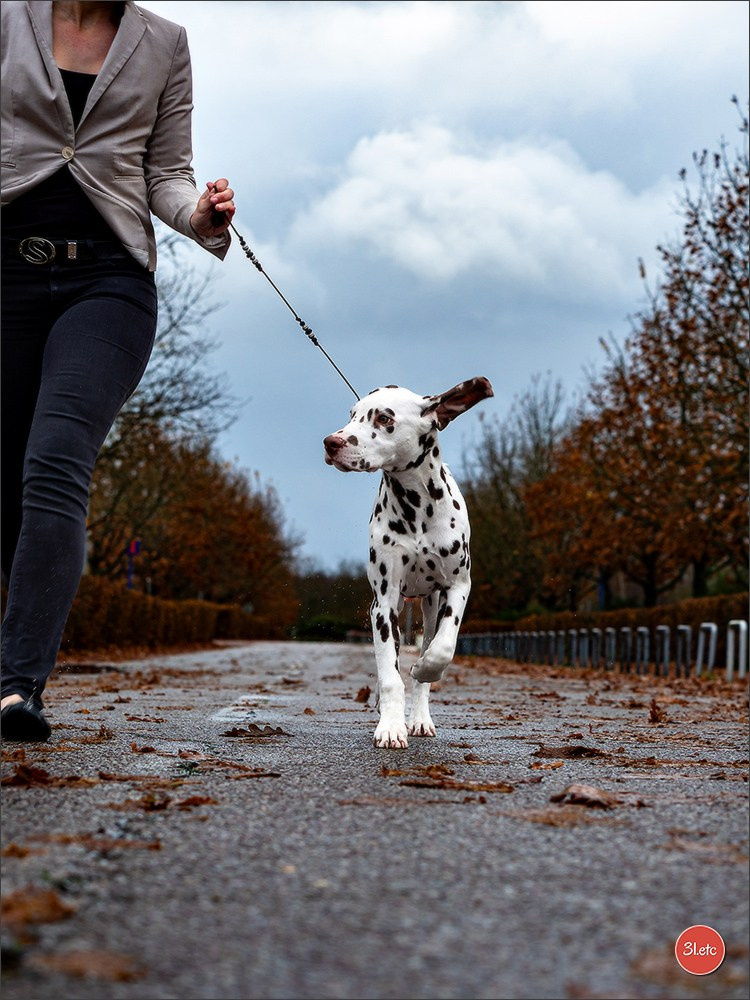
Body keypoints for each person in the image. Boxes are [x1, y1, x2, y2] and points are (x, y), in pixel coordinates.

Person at [1, 0, 235, 741]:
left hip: (108, 284)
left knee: (56, 461)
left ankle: (16, 687)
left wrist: (198, 216)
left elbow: (164, 171)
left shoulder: (164, 42)